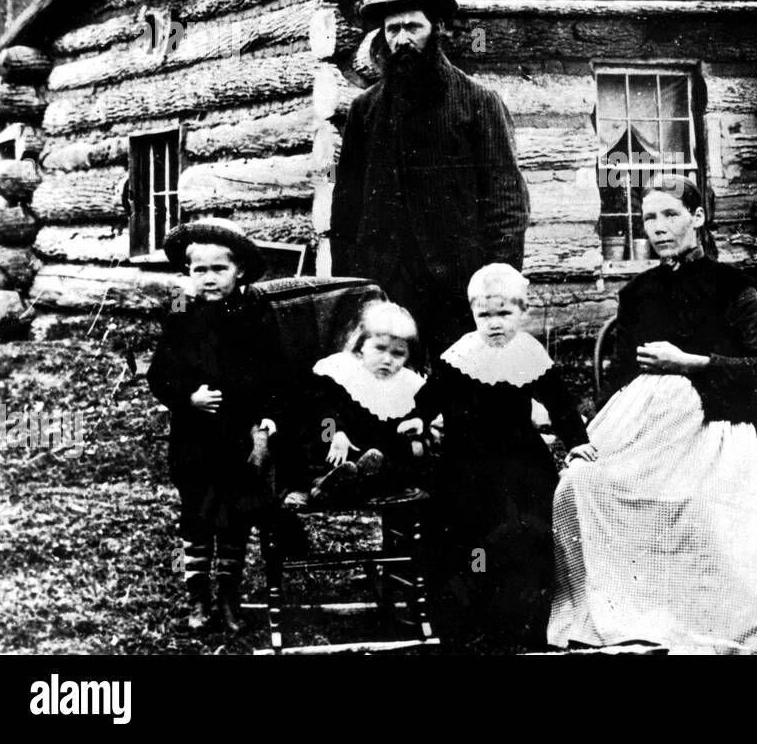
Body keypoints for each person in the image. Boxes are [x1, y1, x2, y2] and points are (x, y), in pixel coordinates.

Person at [547, 175, 757, 654]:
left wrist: (692, 364)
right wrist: (593, 434)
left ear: (698, 218)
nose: (658, 227)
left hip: (717, 427)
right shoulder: (637, 294)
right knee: (581, 484)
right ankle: (633, 614)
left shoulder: (733, 286)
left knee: (698, 506)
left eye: (671, 214)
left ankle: (707, 619)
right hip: (647, 430)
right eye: (649, 217)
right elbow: (616, 380)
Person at [330, 0, 529, 359]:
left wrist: (493, 287)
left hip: (458, 289)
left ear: (435, 28)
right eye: (392, 30)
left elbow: (507, 203)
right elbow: (346, 206)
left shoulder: (477, 102)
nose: (402, 39)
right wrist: (352, 287)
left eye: (413, 27)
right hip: (385, 291)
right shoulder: (365, 110)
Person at [416, 263, 590, 648]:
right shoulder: (461, 355)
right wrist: (417, 420)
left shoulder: (528, 353)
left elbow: (560, 403)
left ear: (522, 312)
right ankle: (471, 613)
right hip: (467, 462)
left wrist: (576, 440)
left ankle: (522, 616)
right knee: (471, 539)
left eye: (504, 314)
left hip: (519, 459)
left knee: (526, 532)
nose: (494, 324)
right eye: (484, 315)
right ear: (473, 314)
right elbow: (429, 397)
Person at [147, 218, 287, 633]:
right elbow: (161, 373)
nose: (209, 278)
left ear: (239, 270)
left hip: (239, 436)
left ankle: (229, 598)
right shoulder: (180, 312)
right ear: (187, 274)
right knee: (198, 514)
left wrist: (264, 422)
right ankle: (197, 600)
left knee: (235, 515)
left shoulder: (254, 311)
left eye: (219, 269)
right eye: (199, 270)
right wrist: (187, 397)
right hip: (194, 437)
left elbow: (274, 373)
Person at [305, 301, 430, 506]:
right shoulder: (340, 369)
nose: (387, 360)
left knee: (397, 452)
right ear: (361, 344)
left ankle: (350, 485)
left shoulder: (410, 385)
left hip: (375, 453)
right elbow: (322, 407)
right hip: (337, 443)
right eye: (379, 348)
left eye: (397, 353)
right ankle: (325, 480)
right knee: (324, 429)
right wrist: (336, 432)